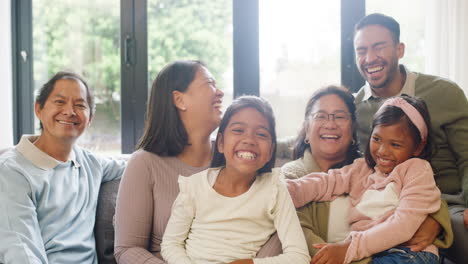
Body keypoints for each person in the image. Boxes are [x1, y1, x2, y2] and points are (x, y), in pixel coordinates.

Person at [114, 61, 280, 263]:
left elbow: (274, 228)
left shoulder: (240, 157)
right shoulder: (145, 163)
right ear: (179, 99)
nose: (220, 93)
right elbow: (127, 249)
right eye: (210, 83)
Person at [281, 86, 451, 263]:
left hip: (406, 254)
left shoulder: (413, 168)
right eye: (321, 116)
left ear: (353, 127)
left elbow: (419, 208)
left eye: (339, 116)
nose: (383, 151)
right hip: (365, 255)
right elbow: (324, 183)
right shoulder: (358, 168)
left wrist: (436, 221)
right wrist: (282, 192)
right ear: (306, 127)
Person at [353, 13, 468, 262]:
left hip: (449, 204)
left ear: (400, 49)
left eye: (378, 47)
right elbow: (325, 138)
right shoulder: (356, 108)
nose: (369, 58)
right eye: (361, 50)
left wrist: (440, 216)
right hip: (390, 208)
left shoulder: (444, 92)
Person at [161, 96, 310, 264]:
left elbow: (299, 257)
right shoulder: (194, 186)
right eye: (239, 130)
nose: (249, 140)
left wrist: (249, 263)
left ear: (270, 152)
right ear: (221, 143)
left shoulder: (275, 189)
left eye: (261, 134)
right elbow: (170, 244)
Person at [0, 71, 126, 263]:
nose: (70, 111)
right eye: (59, 102)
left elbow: (137, 167)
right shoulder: (12, 171)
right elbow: (21, 252)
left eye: (80, 105)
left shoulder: (91, 163)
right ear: (38, 109)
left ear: (90, 118)